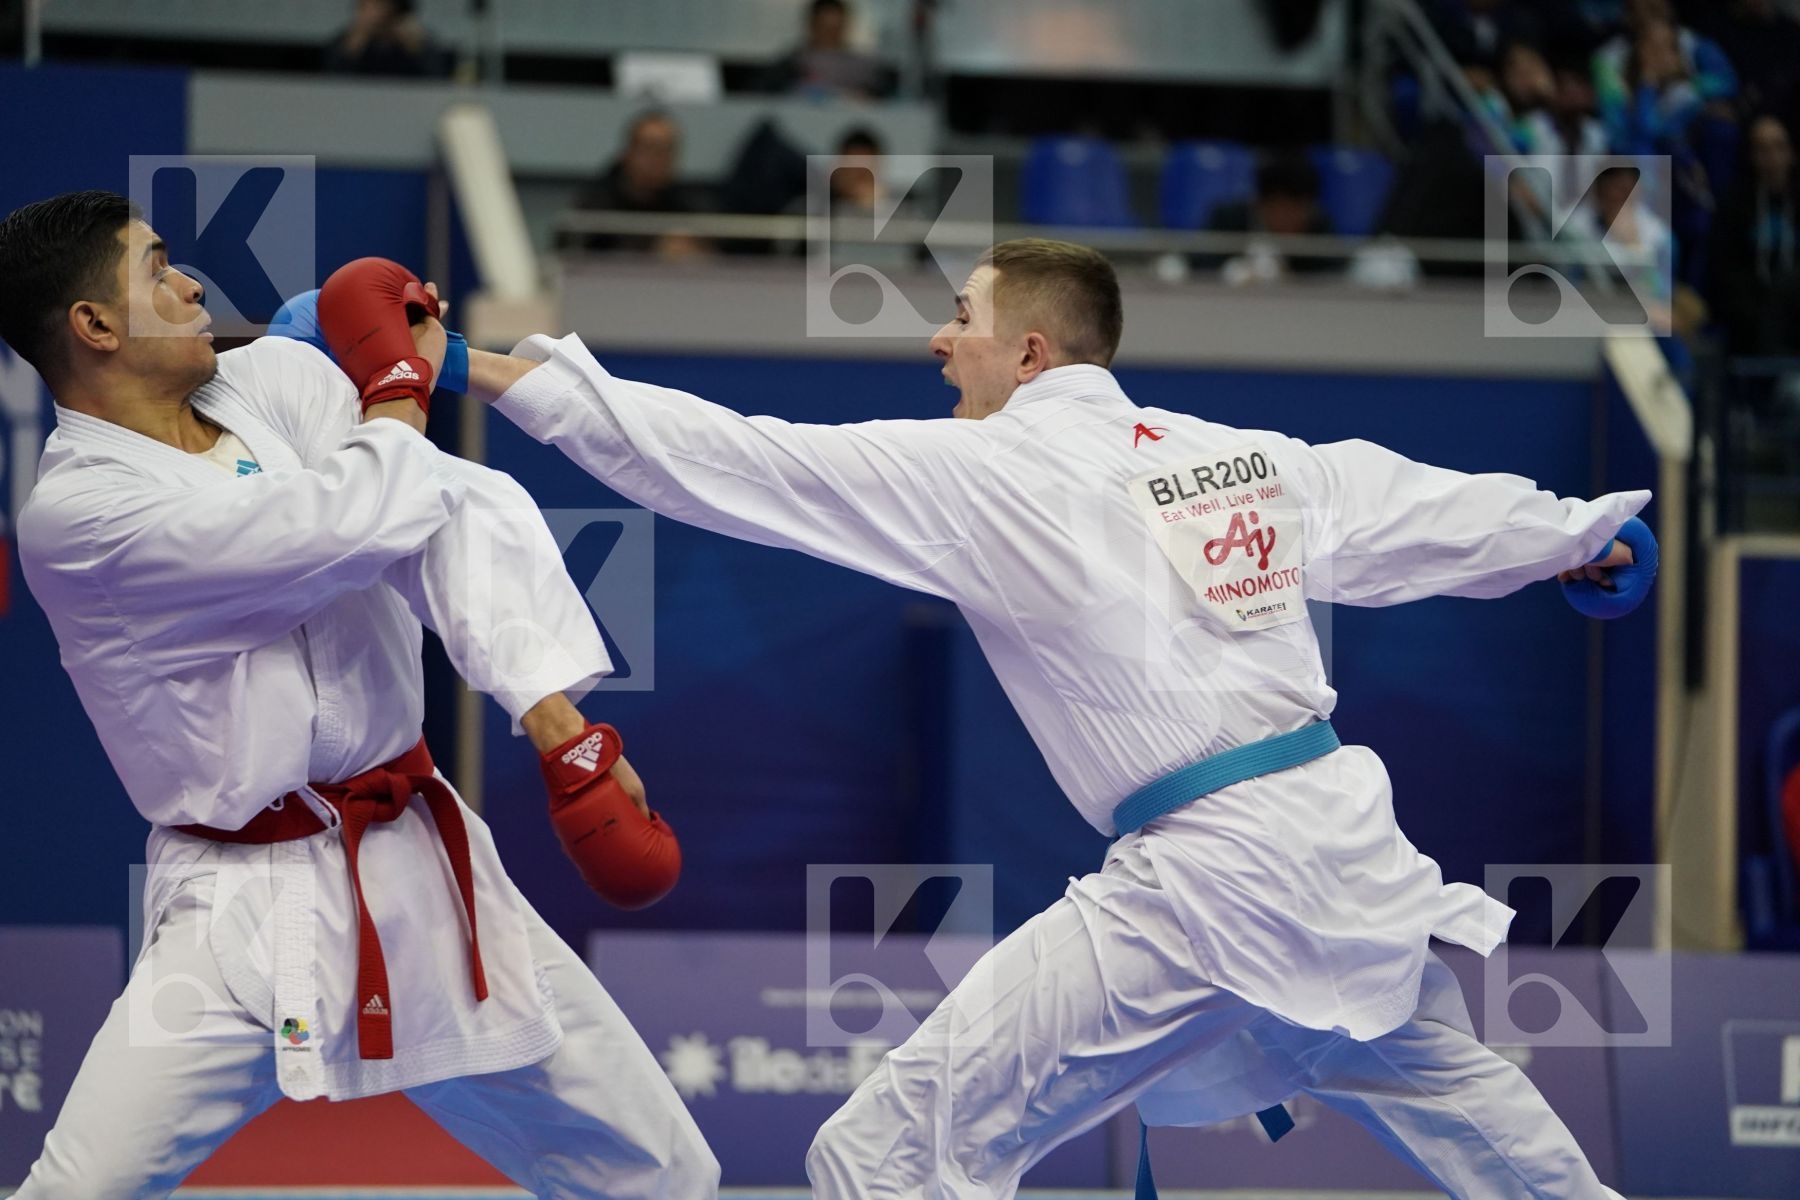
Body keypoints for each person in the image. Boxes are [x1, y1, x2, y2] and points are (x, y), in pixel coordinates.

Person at [444, 237, 1649, 1197]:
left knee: (886, 1155)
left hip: (1206, 881)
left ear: (1027, 350)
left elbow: (737, 460)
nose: (938, 337)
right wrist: (1580, 538)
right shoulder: (1238, 455)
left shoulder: (994, 472)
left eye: (959, 317)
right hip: (1341, 857)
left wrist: (473, 369)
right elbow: (1416, 510)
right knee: (1506, 1146)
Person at [0, 191, 713, 1199]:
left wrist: (559, 725)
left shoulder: (278, 380)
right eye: (157, 268)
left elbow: (446, 508)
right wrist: (392, 383)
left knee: (659, 1169)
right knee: (78, 1191)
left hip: (425, 869)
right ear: (96, 326)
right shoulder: (80, 519)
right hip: (247, 907)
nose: (192, 281)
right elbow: (340, 528)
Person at [562, 110, 710, 259]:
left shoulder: (686, 204)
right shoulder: (594, 205)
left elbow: (718, 252)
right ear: (628, 152)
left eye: (667, 151)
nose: (659, 159)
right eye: (651, 148)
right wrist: (653, 253)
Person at [1710, 113, 1800, 353]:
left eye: (1779, 147)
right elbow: (1724, 271)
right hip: (1750, 322)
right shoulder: (1733, 206)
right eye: (1762, 149)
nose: (1772, 158)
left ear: (1791, 153)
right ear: (1751, 156)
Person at [761, 0, 895, 100]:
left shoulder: (864, 65)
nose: (831, 36)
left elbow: (884, 95)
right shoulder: (792, 63)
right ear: (812, 25)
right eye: (825, 29)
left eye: (836, 29)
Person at [323, 0, 450, 78]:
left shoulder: (420, 42)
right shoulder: (346, 41)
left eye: (381, 6)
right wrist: (356, 42)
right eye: (366, 7)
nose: (375, 15)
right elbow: (330, 78)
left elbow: (436, 78)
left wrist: (414, 45)